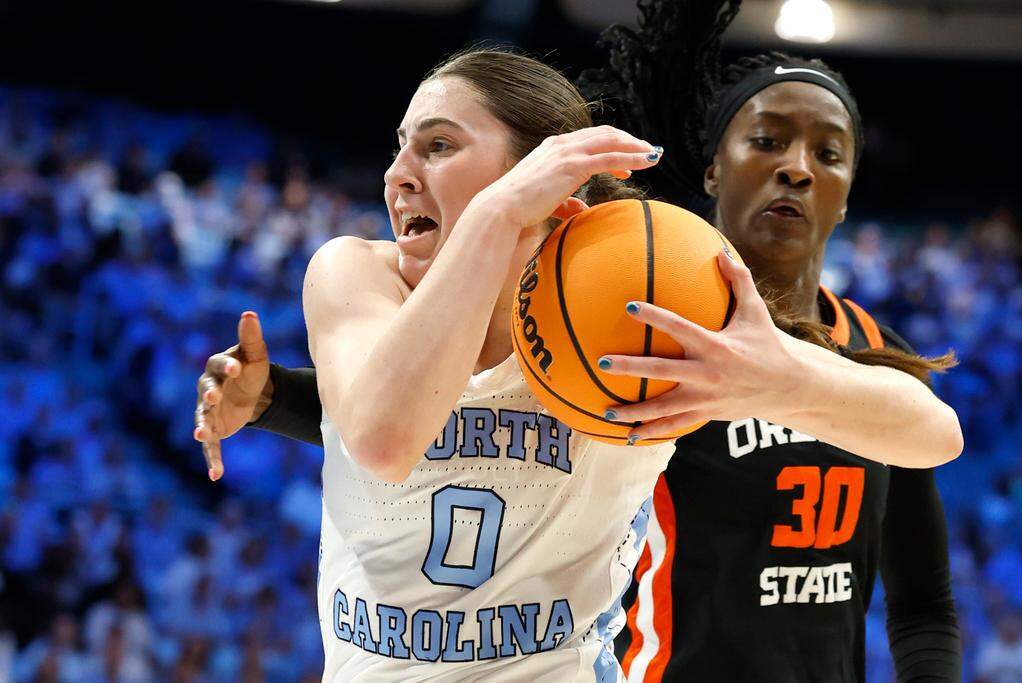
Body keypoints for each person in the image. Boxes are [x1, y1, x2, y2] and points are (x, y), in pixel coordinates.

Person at [193, 47, 962, 680]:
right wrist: (495, 212)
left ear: (545, 180)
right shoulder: (355, 271)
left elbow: (935, 434)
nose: (397, 173)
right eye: (399, 146)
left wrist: (776, 379)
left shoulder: (623, 307)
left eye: (437, 144)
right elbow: (383, 434)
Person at [577, 1, 962, 679]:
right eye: (767, 140)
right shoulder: (648, 331)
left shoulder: (879, 351)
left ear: (843, 197)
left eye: (829, 153)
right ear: (712, 170)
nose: (798, 167)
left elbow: (923, 605)